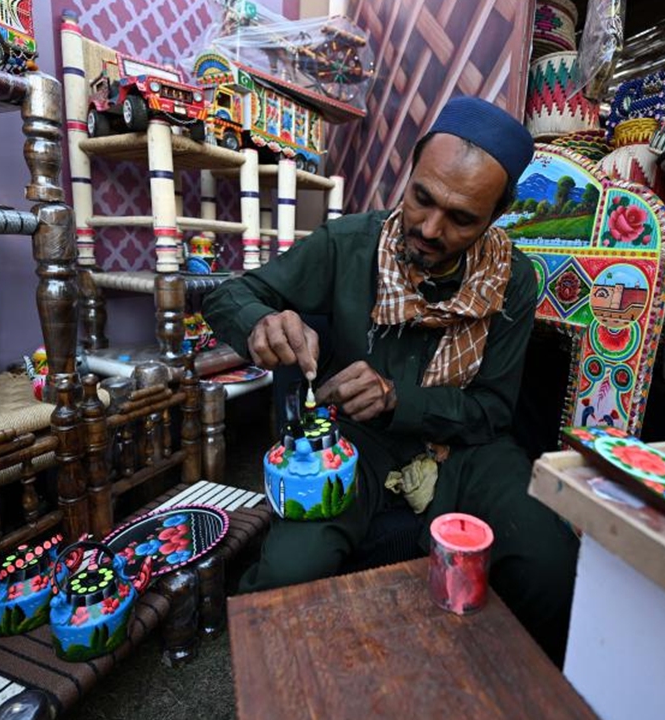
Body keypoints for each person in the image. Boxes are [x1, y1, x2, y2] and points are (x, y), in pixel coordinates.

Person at [204, 96, 577, 664]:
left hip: (467, 448)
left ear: (496, 215)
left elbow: (493, 411)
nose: (429, 228)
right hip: (356, 441)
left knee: (551, 567)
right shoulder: (348, 243)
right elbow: (233, 293)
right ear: (409, 174)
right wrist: (262, 322)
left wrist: (397, 398)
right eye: (422, 198)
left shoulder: (514, 279)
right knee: (288, 571)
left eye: (462, 218)